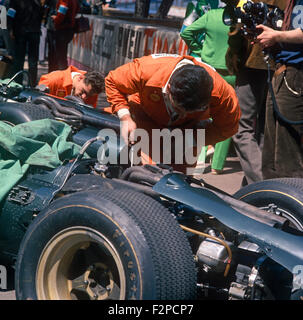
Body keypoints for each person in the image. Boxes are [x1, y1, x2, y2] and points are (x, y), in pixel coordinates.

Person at [105, 54, 240, 173]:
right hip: (145, 117)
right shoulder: (147, 70)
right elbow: (112, 81)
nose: (181, 114)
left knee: (177, 182)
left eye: (189, 111)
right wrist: (125, 116)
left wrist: (191, 139)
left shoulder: (222, 95)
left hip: (188, 130)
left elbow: (228, 127)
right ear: (168, 89)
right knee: (148, 174)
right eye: (179, 109)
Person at [225, 0, 285, 185]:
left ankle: (262, 184)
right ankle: (255, 185)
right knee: (263, 130)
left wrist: (233, 54)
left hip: (252, 64)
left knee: (242, 129)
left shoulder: (249, 2)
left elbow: (236, 32)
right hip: (281, 66)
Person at [181, 7, 235, 175]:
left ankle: (199, 157)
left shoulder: (211, 15)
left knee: (204, 111)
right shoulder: (240, 18)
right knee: (228, 113)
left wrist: (199, 50)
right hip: (232, 72)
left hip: (209, 69)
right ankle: (217, 165)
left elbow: (186, 33)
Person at [255, 0, 303, 179]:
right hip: (282, 70)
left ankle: (291, 202)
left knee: (286, 151)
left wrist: (276, 36)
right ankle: (271, 198)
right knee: (271, 148)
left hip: (296, 74)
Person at [7, 0, 44, 86]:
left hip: (21, 31)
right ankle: (32, 85)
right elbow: (41, 14)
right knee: (32, 62)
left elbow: (10, 14)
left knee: (19, 61)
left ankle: (17, 84)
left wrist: (10, 29)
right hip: (33, 32)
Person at [39, 65, 104, 107]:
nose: (84, 97)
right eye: (83, 91)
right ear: (80, 78)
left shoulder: (91, 90)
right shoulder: (52, 80)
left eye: (89, 95)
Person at [49, 0, 80, 71]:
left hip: (62, 31)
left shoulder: (64, 1)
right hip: (69, 30)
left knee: (60, 58)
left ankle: (61, 78)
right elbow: (77, 9)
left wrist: (56, 20)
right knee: (62, 57)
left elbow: (61, 15)